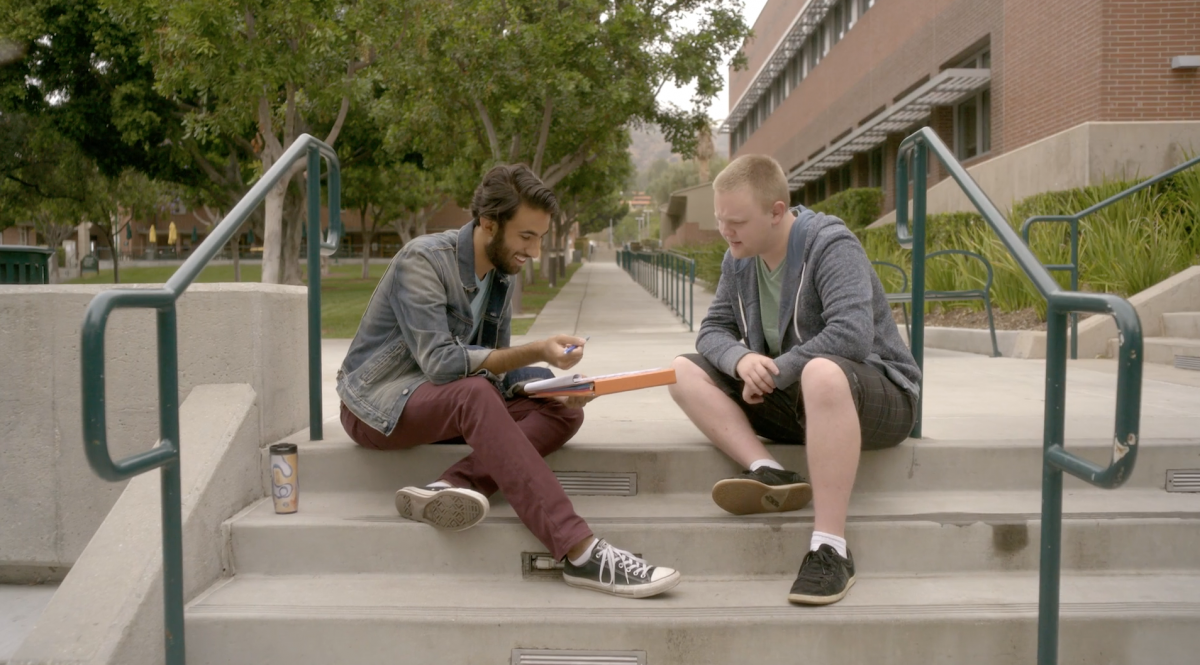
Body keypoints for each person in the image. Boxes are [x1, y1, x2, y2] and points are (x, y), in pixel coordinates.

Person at [337, 164, 681, 599]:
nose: (534, 251)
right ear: (487, 223)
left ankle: (453, 486)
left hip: (443, 403)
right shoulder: (422, 260)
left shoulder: (498, 275)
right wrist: (536, 350)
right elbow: (443, 365)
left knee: (557, 405)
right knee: (478, 393)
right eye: (526, 237)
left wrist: (550, 386)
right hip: (376, 406)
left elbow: (491, 368)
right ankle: (580, 551)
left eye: (539, 238)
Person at [667, 155, 920, 605]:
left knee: (822, 369)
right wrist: (742, 360)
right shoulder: (739, 260)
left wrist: (776, 369)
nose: (727, 231)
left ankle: (831, 549)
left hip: (879, 396)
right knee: (680, 371)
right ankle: (768, 472)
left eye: (738, 221)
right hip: (799, 400)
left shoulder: (830, 244)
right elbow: (712, 331)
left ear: (777, 211)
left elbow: (852, 335)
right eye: (722, 220)